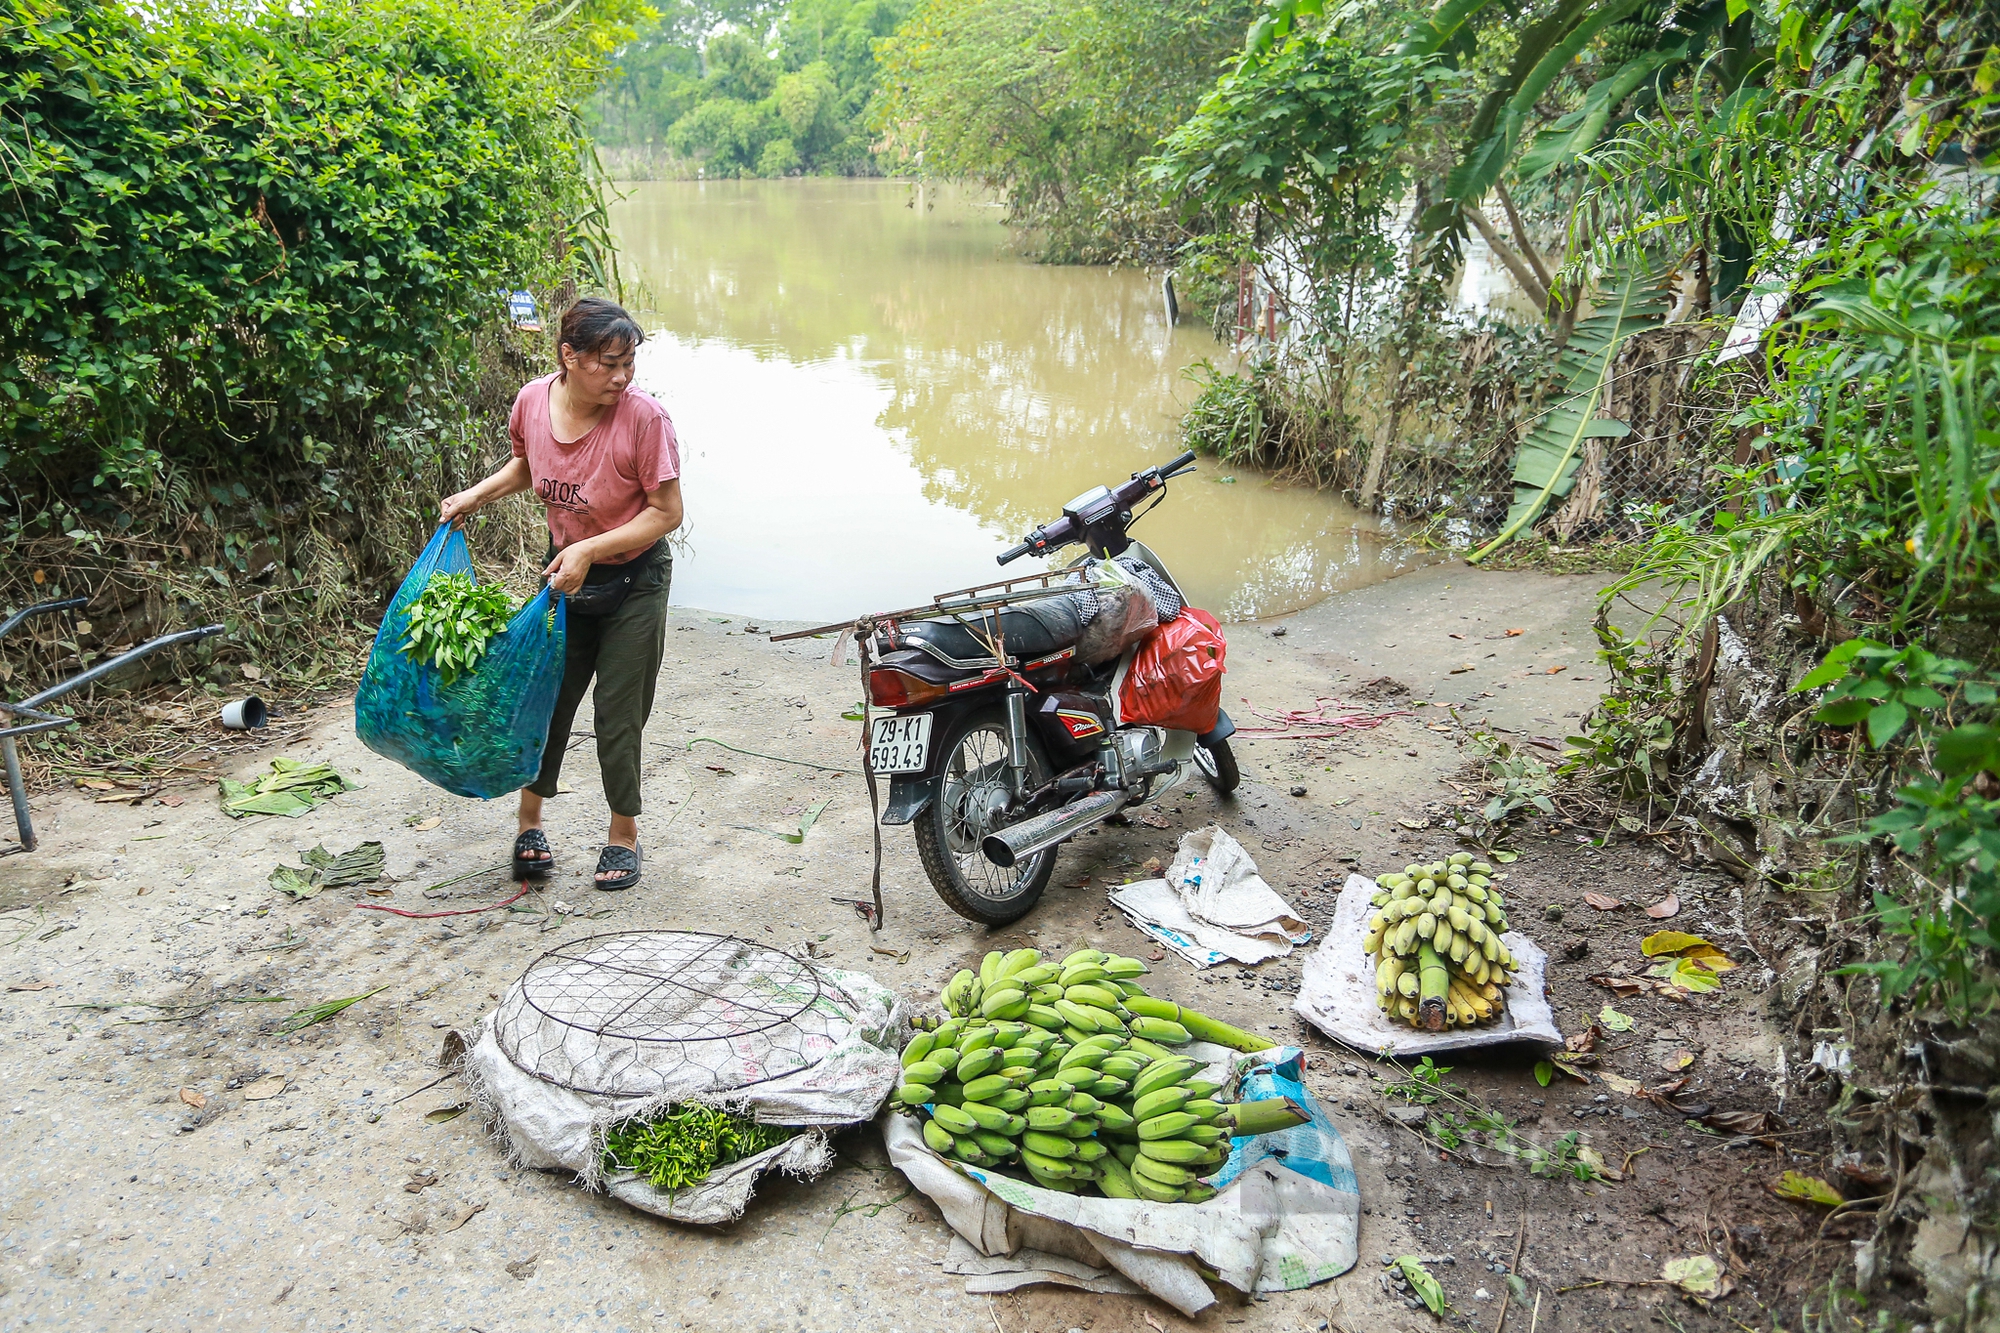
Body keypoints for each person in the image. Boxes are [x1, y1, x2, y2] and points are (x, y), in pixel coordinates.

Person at [439, 297, 682, 890]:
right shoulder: (532, 401)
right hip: (563, 578)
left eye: (629, 363)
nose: (622, 377)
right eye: (608, 363)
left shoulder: (645, 420)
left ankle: (622, 836)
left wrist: (590, 550)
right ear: (568, 357)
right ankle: (529, 825)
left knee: (617, 717)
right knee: (544, 702)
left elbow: (667, 512)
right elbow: (527, 466)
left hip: (634, 582)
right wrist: (476, 495)